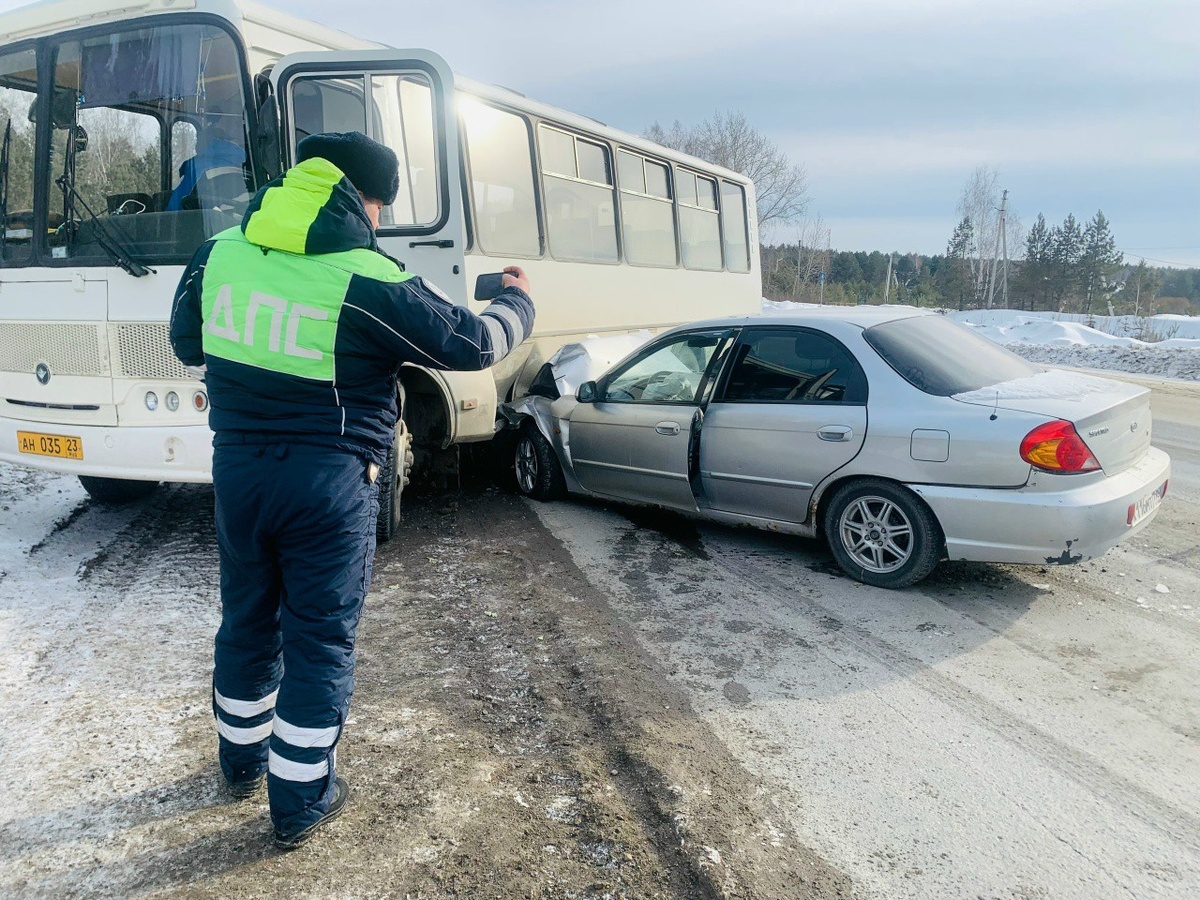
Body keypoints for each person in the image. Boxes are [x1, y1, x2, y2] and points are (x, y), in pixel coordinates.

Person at [169, 131, 534, 849]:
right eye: (378, 205)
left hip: (239, 477)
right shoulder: (368, 276)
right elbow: (472, 346)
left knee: (246, 622)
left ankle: (239, 765)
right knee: (319, 642)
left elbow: (187, 342)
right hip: (328, 485)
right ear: (362, 199)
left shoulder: (219, 254)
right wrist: (519, 303)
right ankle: (300, 802)